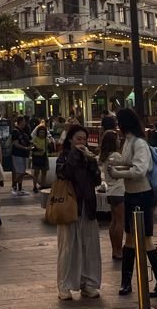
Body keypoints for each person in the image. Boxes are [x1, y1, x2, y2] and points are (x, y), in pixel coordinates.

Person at [108, 108, 157, 298]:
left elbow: (139, 170)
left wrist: (117, 173)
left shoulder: (139, 143)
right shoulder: (129, 141)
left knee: (146, 239)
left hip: (142, 195)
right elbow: (129, 164)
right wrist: (116, 167)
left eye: (119, 122)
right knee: (130, 238)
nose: (117, 126)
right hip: (130, 194)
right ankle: (126, 282)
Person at [56, 125, 102, 299]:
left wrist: (92, 163)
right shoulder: (65, 157)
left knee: (89, 246)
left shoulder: (88, 158)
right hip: (70, 204)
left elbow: (96, 180)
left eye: (84, 139)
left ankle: (89, 282)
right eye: (78, 139)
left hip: (87, 205)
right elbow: (64, 173)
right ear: (70, 140)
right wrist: (75, 154)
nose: (82, 142)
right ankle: (64, 285)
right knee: (68, 247)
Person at [98, 130, 125, 260]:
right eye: (118, 138)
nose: (120, 140)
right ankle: (119, 250)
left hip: (110, 192)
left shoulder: (105, 156)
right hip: (119, 191)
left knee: (113, 221)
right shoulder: (116, 156)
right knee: (120, 222)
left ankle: (114, 249)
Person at [9, 116, 33, 196]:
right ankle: (14, 186)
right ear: (20, 122)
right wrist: (25, 148)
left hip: (23, 154)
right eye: (23, 121)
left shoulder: (22, 131)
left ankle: (20, 188)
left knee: (22, 172)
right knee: (20, 171)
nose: (25, 123)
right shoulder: (16, 131)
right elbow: (16, 144)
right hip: (17, 154)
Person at [30, 123, 51, 193]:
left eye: (43, 133)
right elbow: (32, 146)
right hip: (36, 157)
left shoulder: (46, 140)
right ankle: (35, 186)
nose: (41, 134)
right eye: (40, 132)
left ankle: (43, 185)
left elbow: (50, 145)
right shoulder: (35, 139)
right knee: (36, 172)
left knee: (44, 172)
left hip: (44, 157)